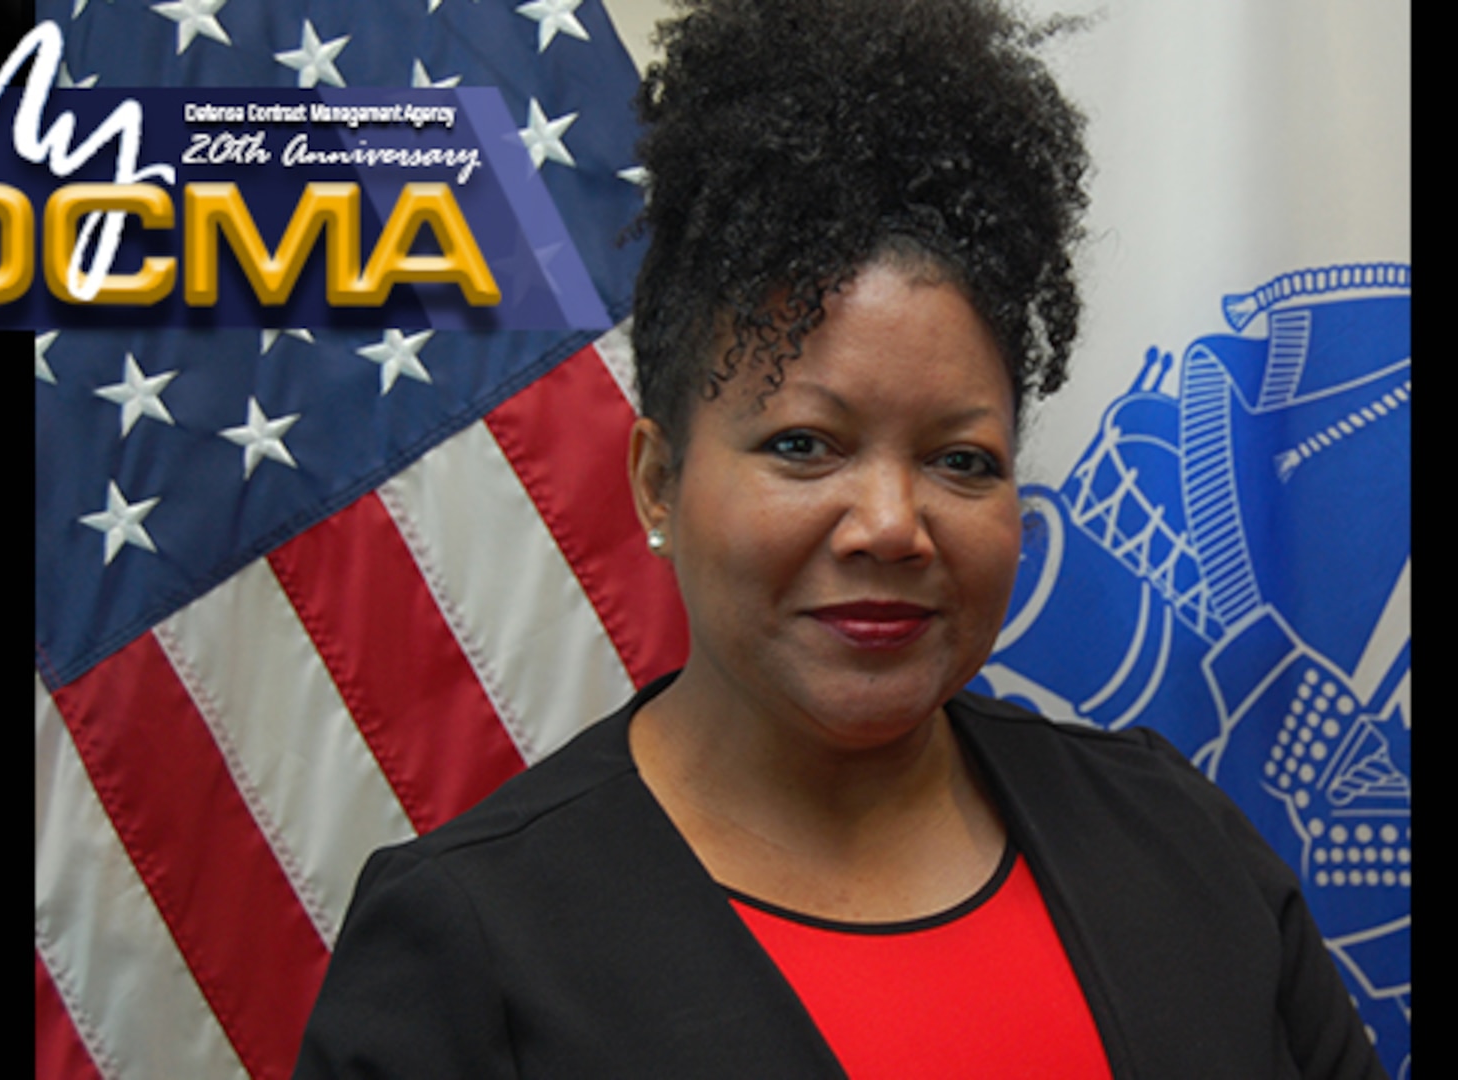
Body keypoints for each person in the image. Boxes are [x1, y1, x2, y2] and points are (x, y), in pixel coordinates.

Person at [290, 1, 1387, 1077]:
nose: (892, 526)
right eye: (807, 444)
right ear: (659, 482)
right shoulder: (470, 945)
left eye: (962, 460)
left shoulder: (1171, 834)